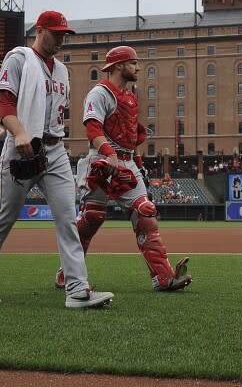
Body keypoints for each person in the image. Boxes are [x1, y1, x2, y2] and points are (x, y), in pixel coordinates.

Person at [0, 10, 113, 309]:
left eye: (64, 34)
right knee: (5, 218)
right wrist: (20, 133)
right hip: (21, 147)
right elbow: (5, 101)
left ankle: (76, 290)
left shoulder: (62, 70)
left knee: (67, 219)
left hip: (55, 151)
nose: (61, 38)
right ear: (40, 30)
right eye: (57, 33)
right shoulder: (19, 58)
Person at [55, 45, 192, 292]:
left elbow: (130, 136)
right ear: (119, 65)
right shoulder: (99, 93)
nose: (138, 67)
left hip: (127, 161)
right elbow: (93, 128)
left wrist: (138, 163)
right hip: (102, 161)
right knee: (92, 218)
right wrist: (109, 154)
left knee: (145, 213)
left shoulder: (130, 96)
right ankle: (67, 273)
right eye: (133, 63)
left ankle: (163, 277)